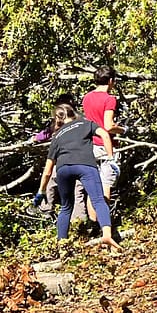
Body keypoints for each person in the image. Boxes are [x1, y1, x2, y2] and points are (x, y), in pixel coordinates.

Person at [35, 102, 121, 248]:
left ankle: (62, 245)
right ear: (73, 112)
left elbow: (48, 170)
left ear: (58, 118)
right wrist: (110, 158)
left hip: (63, 170)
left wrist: (41, 191)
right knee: (98, 200)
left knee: (66, 207)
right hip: (84, 165)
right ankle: (107, 235)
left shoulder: (57, 136)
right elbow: (105, 135)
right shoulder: (85, 123)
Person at [82, 66, 124, 219]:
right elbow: (108, 126)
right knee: (105, 187)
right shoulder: (109, 99)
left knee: (92, 189)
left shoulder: (87, 98)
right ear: (111, 81)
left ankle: (94, 225)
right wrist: (123, 130)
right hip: (105, 148)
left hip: (89, 146)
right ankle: (105, 227)